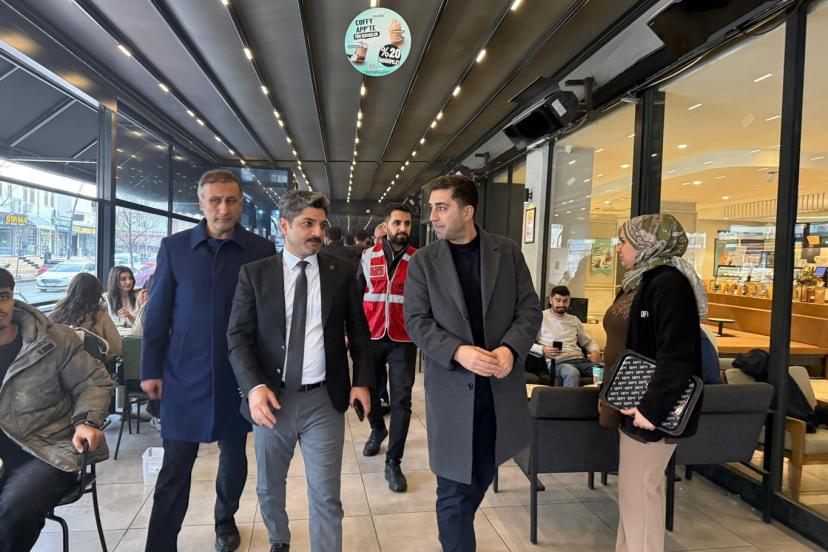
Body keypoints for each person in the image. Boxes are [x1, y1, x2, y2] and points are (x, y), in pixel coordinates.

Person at [227, 190, 373, 552]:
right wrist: (254, 387)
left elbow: (359, 332)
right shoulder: (255, 275)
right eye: (307, 224)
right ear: (284, 226)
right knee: (269, 487)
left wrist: (362, 382)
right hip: (272, 400)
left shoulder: (341, 273)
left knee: (326, 495)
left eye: (321, 225)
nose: (317, 232)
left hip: (324, 399)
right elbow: (238, 338)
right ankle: (279, 539)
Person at [139, 169, 275, 552]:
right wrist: (150, 369)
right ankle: (160, 544)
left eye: (230, 200)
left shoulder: (260, 250)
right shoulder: (175, 248)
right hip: (183, 374)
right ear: (201, 203)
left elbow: (269, 318)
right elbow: (157, 313)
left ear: (241, 203)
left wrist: (265, 377)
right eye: (215, 200)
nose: (223, 209)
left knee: (234, 457)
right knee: (175, 467)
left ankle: (225, 519)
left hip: (239, 374)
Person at [404, 175, 541, 551]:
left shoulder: (507, 252)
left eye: (441, 207)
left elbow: (529, 309)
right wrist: (457, 351)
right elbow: (416, 321)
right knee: (452, 492)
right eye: (431, 208)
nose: (432, 216)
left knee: (481, 471)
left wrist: (510, 349)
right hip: (452, 391)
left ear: (467, 211)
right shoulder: (423, 262)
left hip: (498, 390)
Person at [602, 214, 706, 552]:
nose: (618, 248)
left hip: (648, 409)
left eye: (624, 241)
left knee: (640, 493)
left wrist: (652, 408)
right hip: (634, 403)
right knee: (633, 493)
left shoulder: (668, 284)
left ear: (647, 244)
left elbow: (677, 354)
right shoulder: (643, 280)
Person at [0, 268, 114, 551]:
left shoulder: (54, 340)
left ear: (12, 297)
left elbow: (93, 382)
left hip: (47, 450)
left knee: (15, 509)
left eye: (3, 296)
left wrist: (86, 421)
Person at [359, 203, 417, 493]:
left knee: (401, 401)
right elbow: (357, 293)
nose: (402, 228)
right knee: (367, 391)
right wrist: (351, 333)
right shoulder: (368, 256)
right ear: (386, 226)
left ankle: (394, 461)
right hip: (371, 336)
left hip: (403, 339)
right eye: (397, 223)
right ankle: (377, 429)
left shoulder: (418, 260)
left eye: (407, 223)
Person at [530, 285, 602, 387]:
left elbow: (588, 342)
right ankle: (570, 398)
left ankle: (597, 398)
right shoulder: (540, 318)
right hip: (558, 362)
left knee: (606, 372)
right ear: (551, 300)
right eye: (558, 300)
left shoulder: (574, 320)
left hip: (580, 360)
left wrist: (595, 351)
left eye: (565, 301)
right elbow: (527, 343)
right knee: (572, 373)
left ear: (569, 301)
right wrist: (542, 349)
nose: (561, 304)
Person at [50, 272, 123, 360]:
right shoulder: (99, 315)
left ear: (71, 289)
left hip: (59, 363)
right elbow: (117, 348)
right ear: (96, 292)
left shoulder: (58, 311)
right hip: (92, 366)